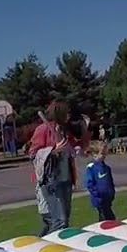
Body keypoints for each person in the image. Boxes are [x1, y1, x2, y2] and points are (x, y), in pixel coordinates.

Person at [28, 101, 78, 236]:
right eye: (66, 112)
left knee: (65, 220)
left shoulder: (63, 130)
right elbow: (33, 153)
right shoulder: (43, 129)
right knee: (59, 221)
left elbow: (73, 146)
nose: (69, 115)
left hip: (65, 177)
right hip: (51, 179)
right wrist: (52, 151)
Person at [83, 142, 116, 222]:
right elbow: (89, 184)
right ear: (95, 154)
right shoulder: (91, 168)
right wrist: (96, 194)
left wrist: (112, 192)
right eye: (102, 154)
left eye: (105, 153)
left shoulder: (107, 168)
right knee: (104, 216)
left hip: (108, 197)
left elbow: (110, 181)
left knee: (109, 216)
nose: (104, 156)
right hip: (99, 198)